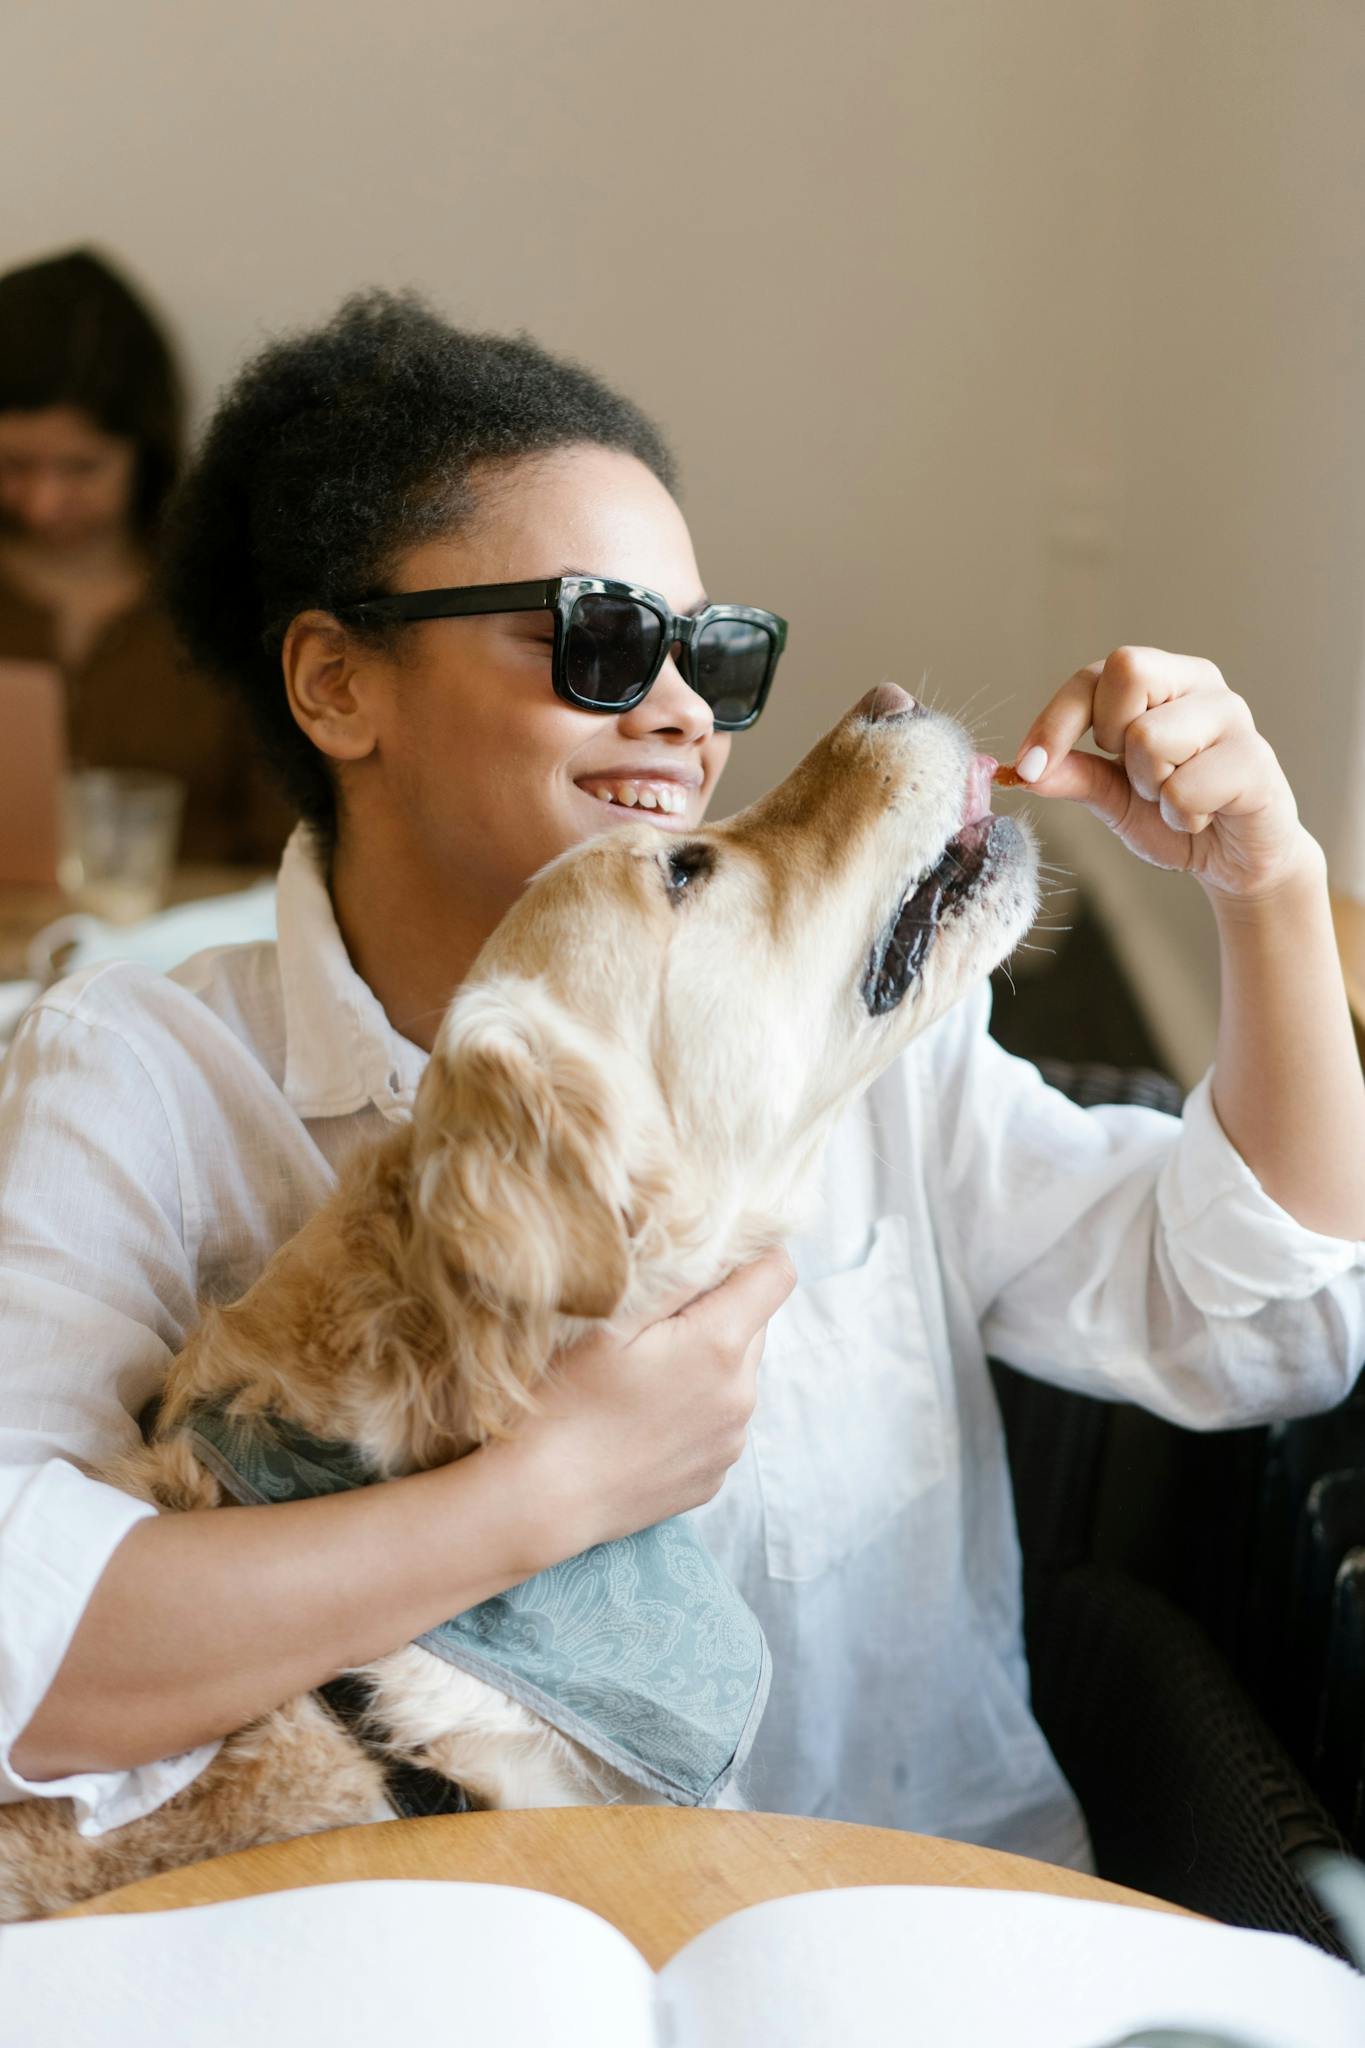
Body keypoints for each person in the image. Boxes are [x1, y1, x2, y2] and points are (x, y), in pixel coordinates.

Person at [1, 291, 1362, 1872]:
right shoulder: (145, 1083)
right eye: (596, 638)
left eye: (711, 656)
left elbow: (1267, 1324)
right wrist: (549, 1488)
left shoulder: (851, 1061)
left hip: (900, 1922)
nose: (681, 716)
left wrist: (1266, 884)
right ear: (334, 685)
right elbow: (22, 1644)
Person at [0, 248, 289, 864]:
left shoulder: (231, 593)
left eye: (81, 468)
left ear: (144, 452)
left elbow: (290, 848)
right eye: (13, 465)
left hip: (186, 950)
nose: (44, 504)